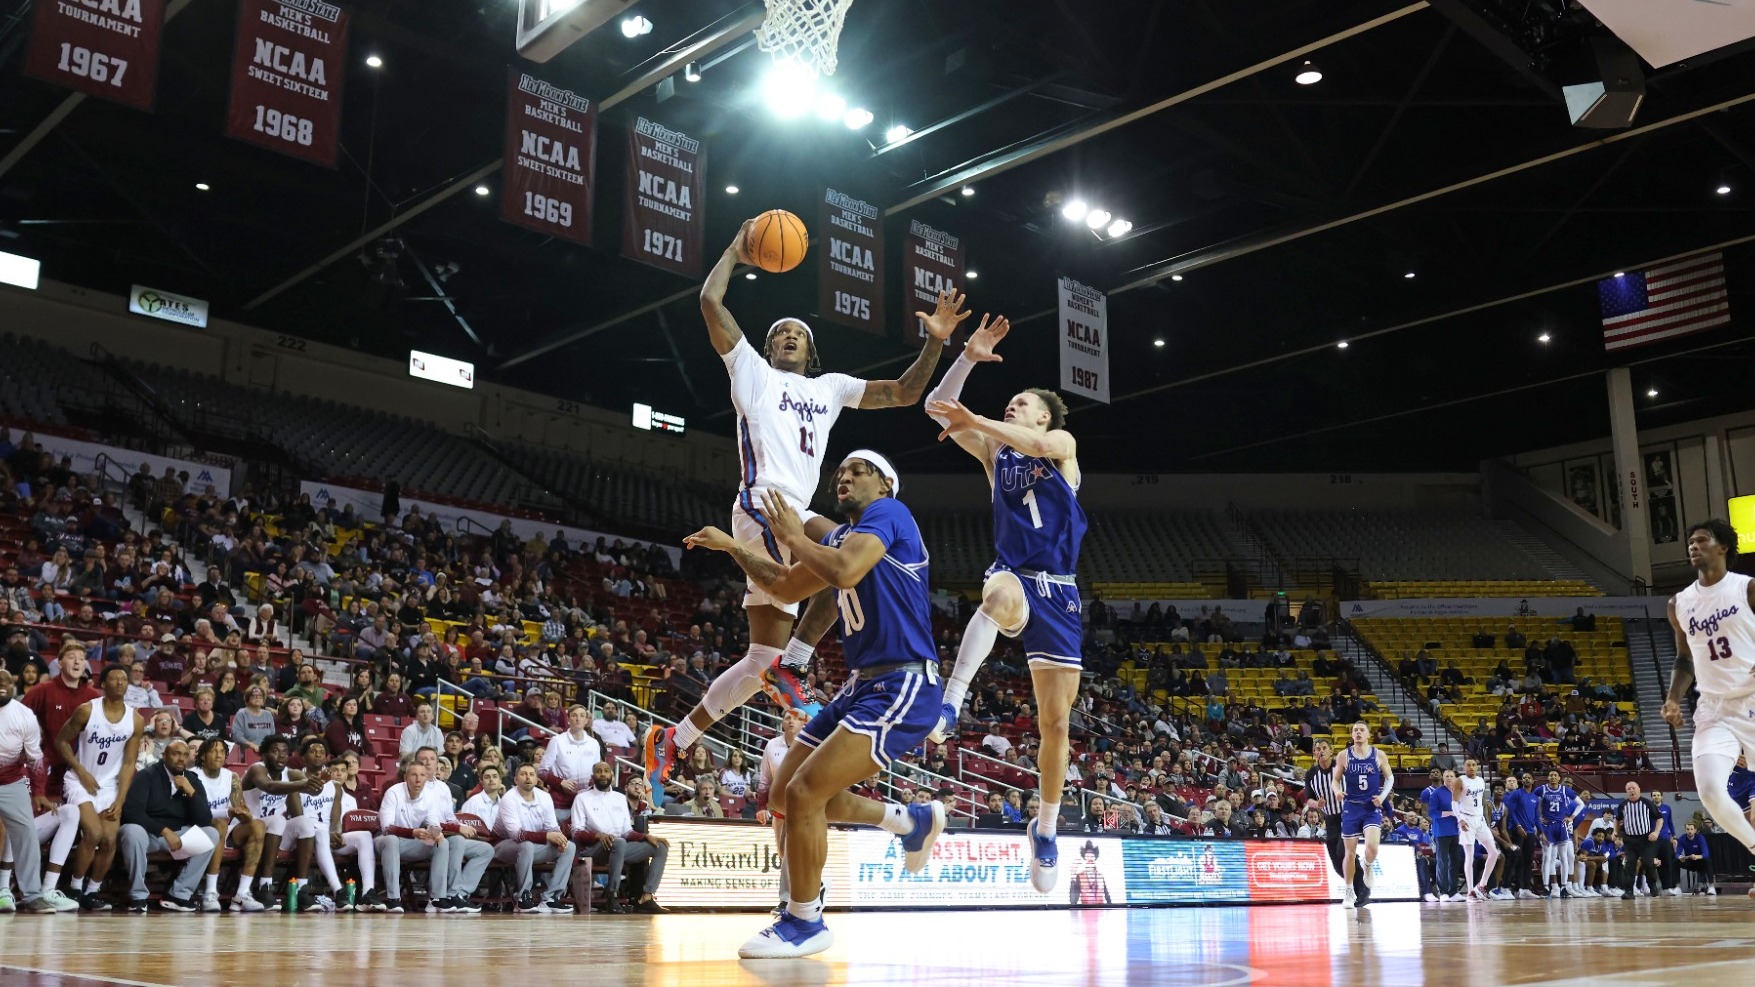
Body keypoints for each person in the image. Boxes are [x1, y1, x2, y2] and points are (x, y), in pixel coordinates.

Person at [644, 230, 968, 795]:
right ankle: (792, 666)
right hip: (764, 501)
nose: (788, 338)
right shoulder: (752, 373)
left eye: (797, 335)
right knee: (831, 568)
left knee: (759, 656)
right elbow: (709, 303)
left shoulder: (831, 388)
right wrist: (734, 254)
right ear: (768, 349)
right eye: (779, 334)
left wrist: (935, 342)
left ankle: (674, 739)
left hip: (798, 510)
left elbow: (904, 393)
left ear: (811, 352)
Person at [684, 451, 945, 958]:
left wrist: (795, 538)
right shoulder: (839, 539)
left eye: (857, 471)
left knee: (805, 794)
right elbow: (784, 585)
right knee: (784, 797)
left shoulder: (891, 515)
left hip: (903, 683)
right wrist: (734, 547)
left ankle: (805, 922)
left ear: (886, 482)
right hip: (860, 685)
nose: (844, 477)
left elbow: (844, 572)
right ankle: (908, 822)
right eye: (840, 473)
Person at [921, 312, 1085, 897]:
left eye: (1022, 402)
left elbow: (1039, 443)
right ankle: (951, 704)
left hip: (1060, 589)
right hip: (1016, 576)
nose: (1013, 406)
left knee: (1055, 723)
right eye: (1009, 402)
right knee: (994, 595)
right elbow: (937, 408)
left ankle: (1043, 828)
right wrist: (967, 356)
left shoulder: (1058, 444)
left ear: (1043, 412)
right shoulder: (996, 455)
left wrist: (981, 419)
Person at [1662, 520, 1755, 883]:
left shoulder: (1746, 588)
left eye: (1702, 540)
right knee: (1712, 793)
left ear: (1723, 547)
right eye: (1690, 542)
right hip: (1714, 707)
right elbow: (1684, 659)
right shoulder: (1679, 603)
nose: (1693, 546)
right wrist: (1672, 699)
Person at [54, 663, 144, 911]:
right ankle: (74, 888)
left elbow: (128, 763)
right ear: (103, 684)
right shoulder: (86, 711)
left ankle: (92, 892)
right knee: (92, 834)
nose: (120, 683)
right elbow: (61, 741)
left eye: (124, 679)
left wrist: (121, 798)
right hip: (80, 780)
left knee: (108, 841)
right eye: (114, 679)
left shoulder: (135, 719)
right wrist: (81, 771)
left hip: (109, 786)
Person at [0, 668, 77, 911]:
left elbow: (35, 759)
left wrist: (39, 792)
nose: (1, 684)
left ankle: (32, 895)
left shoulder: (24, 716)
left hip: (11, 782)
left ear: (13, 684)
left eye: (5, 679)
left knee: (26, 834)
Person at [375, 760, 489, 914]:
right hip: (386, 841)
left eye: (422, 775)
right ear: (405, 778)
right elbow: (387, 828)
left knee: (441, 843)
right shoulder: (394, 792)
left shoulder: (428, 796)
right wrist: (412, 832)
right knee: (391, 840)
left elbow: (434, 823)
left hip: (412, 842)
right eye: (414, 775)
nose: (418, 779)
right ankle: (393, 899)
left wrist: (437, 834)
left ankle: (437, 899)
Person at [117, 738, 218, 911]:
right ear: (164, 756)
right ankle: (138, 896)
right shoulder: (147, 775)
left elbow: (204, 820)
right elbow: (132, 813)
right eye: (176, 754)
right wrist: (163, 831)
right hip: (148, 834)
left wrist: (191, 793)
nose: (181, 759)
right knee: (131, 831)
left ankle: (178, 894)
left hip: (177, 836)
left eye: (185, 755)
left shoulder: (191, 780)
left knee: (211, 834)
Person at [570, 760, 669, 914]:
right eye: (599, 771)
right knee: (620, 842)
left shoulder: (619, 798)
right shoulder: (582, 798)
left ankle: (646, 897)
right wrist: (598, 835)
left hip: (618, 847)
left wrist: (645, 837)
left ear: (612, 776)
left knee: (660, 847)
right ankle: (612, 895)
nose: (603, 774)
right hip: (593, 850)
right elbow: (576, 832)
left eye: (606, 771)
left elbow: (626, 831)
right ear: (593, 776)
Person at [241, 733, 322, 910]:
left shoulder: (292, 774)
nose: (281, 755)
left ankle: (301, 888)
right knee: (278, 819)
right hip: (247, 831)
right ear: (263, 754)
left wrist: (319, 783)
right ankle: (265, 886)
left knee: (305, 823)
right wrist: (303, 784)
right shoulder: (257, 769)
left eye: (285, 752)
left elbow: (313, 791)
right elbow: (270, 787)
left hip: (273, 835)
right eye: (275, 751)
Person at [191, 736, 266, 911]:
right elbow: (195, 812)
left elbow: (240, 809)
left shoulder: (231, 777)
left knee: (258, 826)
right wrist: (227, 812)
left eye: (222, 752)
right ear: (203, 756)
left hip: (225, 828)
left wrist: (245, 814)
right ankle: (210, 891)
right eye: (213, 751)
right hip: (197, 829)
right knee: (219, 823)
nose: (218, 755)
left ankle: (242, 893)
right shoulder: (193, 775)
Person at [493, 762, 574, 914]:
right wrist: (548, 836)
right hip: (502, 847)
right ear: (515, 779)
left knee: (570, 846)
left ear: (537, 780)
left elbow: (552, 827)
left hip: (532, 847)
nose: (528, 777)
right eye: (523, 774)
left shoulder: (544, 797)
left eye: (531, 774)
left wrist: (559, 838)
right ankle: (523, 897)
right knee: (526, 845)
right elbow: (516, 835)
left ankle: (551, 898)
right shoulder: (509, 798)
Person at [1333, 720, 1392, 908]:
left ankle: (1367, 865)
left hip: (1370, 807)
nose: (1358, 733)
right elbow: (1335, 780)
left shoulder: (1378, 755)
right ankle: (1349, 891)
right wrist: (1337, 791)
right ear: (1352, 735)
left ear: (1368, 735)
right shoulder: (1344, 756)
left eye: (1361, 730)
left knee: (1372, 847)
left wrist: (1382, 796)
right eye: (1355, 730)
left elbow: (1390, 778)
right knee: (1349, 853)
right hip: (1351, 806)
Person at [756, 706, 808, 912]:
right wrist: (761, 806)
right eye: (787, 717)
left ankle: (787, 900)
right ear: (782, 723)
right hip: (778, 807)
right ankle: (805, 893)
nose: (790, 721)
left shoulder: (809, 746)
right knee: (782, 853)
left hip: (803, 806)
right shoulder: (772, 745)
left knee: (791, 853)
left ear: (804, 723)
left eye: (795, 718)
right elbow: (764, 779)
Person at [1305, 740, 1366, 901]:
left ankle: (1362, 886)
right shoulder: (1311, 774)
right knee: (1337, 864)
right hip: (1330, 819)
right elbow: (1308, 799)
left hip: (1348, 815)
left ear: (1331, 751)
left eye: (1324, 748)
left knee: (1342, 851)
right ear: (1314, 753)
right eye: (1318, 749)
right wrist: (1317, 804)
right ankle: (1359, 887)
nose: (1321, 751)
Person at [1449, 758, 1502, 900]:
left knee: (1494, 853)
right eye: (1468, 765)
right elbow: (1454, 803)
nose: (1471, 767)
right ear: (1464, 767)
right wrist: (1460, 819)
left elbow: (1479, 802)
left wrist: (1486, 819)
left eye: (1473, 765)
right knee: (1470, 857)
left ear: (1477, 767)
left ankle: (1481, 885)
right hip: (1467, 819)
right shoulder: (1460, 780)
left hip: (1480, 819)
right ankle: (1470, 892)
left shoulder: (1480, 780)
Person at [539, 705, 602, 812]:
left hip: (586, 801)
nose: (578, 719)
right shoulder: (557, 741)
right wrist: (561, 782)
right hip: (560, 801)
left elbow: (596, 771)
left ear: (586, 720)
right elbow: (542, 771)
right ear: (568, 719)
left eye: (582, 716)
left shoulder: (594, 743)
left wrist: (591, 785)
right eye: (574, 715)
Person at [1536, 769, 1586, 898]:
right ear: (1548, 777)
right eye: (1551, 775)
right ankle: (1550, 887)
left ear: (1559, 778)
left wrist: (1572, 817)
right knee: (1548, 858)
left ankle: (1565, 887)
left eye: (1555, 775)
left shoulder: (1565, 791)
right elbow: (1532, 803)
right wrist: (1538, 817)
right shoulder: (1542, 789)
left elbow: (1581, 804)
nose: (1553, 777)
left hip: (1562, 827)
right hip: (1548, 826)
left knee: (1565, 858)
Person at [1616, 781, 1664, 900]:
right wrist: (1615, 833)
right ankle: (1628, 891)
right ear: (1626, 791)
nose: (1631, 790)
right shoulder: (1623, 805)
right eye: (1629, 789)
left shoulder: (1647, 803)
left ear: (1639, 790)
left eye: (1633, 788)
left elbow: (1659, 819)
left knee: (1648, 863)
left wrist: (1656, 832)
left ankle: (1652, 885)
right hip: (1630, 840)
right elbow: (1617, 819)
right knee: (1629, 865)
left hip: (1645, 839)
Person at [1500, 773, 1541, 898]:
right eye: (1524, 778)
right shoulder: (1517, 793)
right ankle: (1505, 887)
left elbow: (1536, 817)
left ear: (1533, 780)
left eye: (1529, 777)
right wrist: (1518, 826)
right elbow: (1510, 812)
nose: (1526, 779)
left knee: (1528, 860)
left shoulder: (1535, 797)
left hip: (1530, 832)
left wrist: (1541, 831)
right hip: (1517, 831)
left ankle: (1524, 889)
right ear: (1521, 781)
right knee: (1514, 858)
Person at [1066, 840, 1110, 905]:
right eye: (1087, 856)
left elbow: (1108, 898)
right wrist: (1073, 877)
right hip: (1086, 913)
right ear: (1084, 858)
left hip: (1101, 912)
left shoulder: (1100, 876)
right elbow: (1073, 902)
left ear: (1095, 857)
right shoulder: (1080, 877)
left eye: (1092, 856)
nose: (1090, 859)